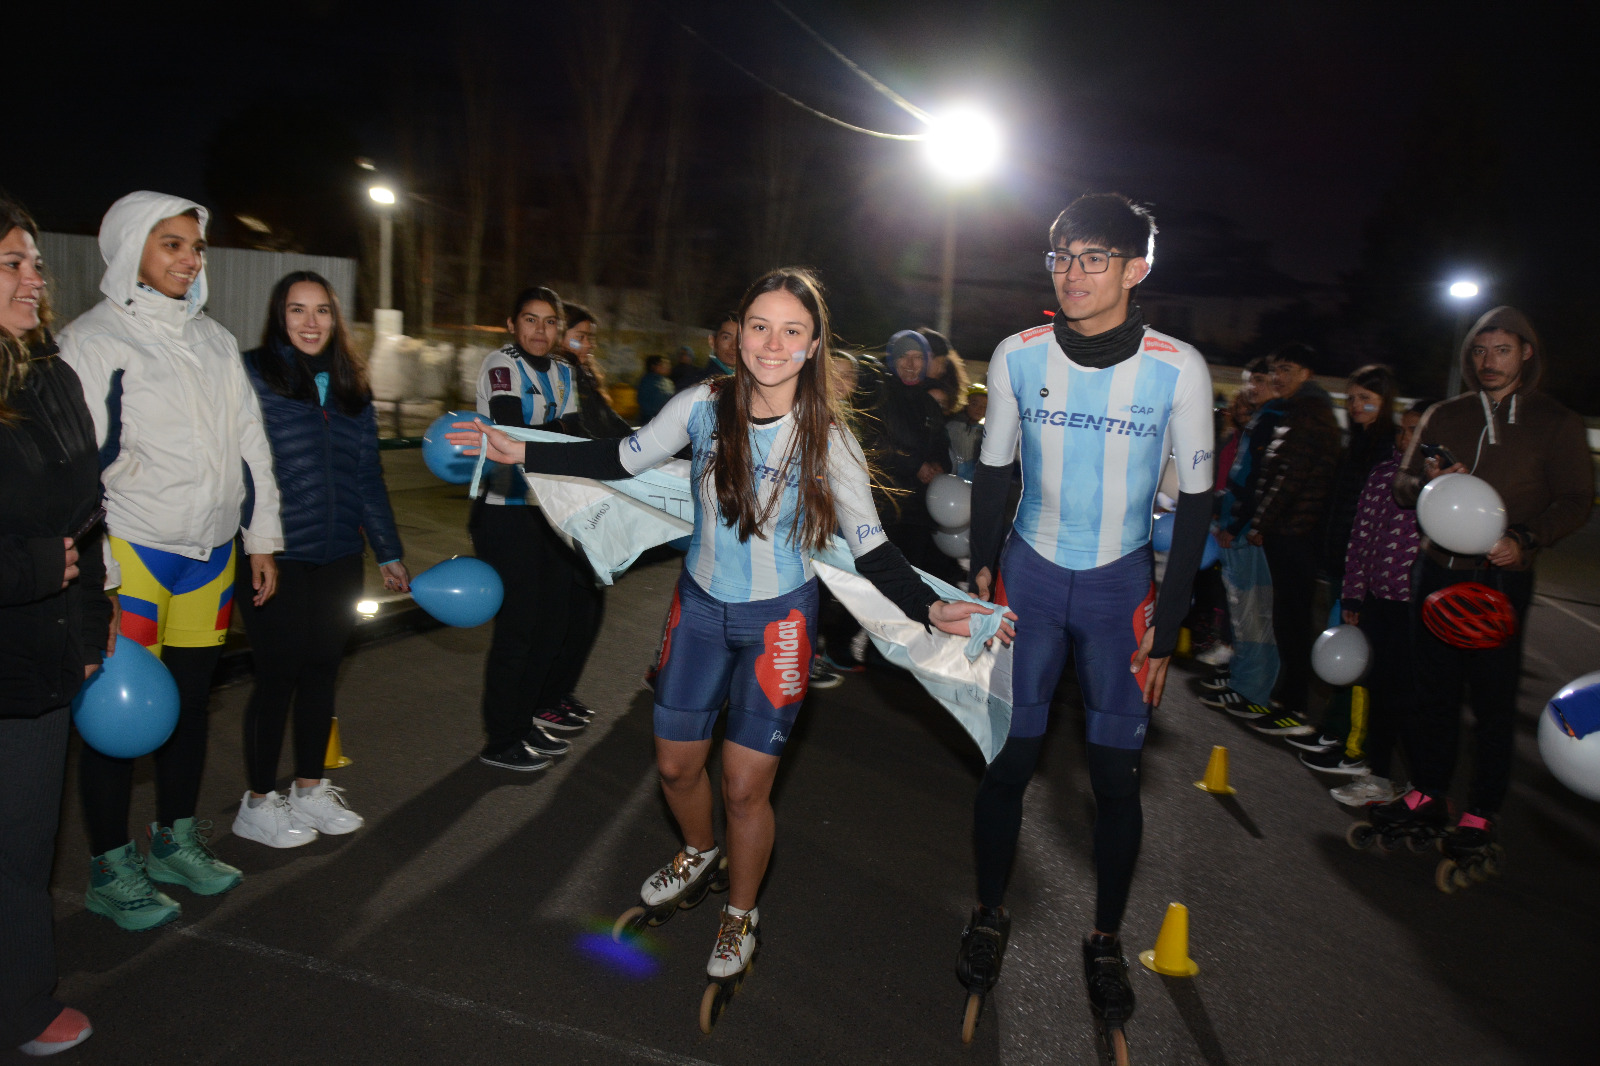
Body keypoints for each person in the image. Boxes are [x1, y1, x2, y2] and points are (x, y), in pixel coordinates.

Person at [450, 267, 1008, 997]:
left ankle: (741, 914)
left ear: (812, 346)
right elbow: (619, 459)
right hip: (700, 611)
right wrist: (523, 450)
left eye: (792, 331)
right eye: (759, 326)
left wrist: (931, 609)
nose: (773, 344)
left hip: (778, 622)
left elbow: (871, 547)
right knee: (678, 768)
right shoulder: (701, 405)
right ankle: (698, 851)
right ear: (739, 334)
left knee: (746, 788)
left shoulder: (828, 437)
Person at [964, 194, 1214, 1038]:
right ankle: (988, 911)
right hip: (1030, 582)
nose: (1072, 272)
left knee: (1114, 782)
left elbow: (1202, 506)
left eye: (1093, 257)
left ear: (1136, 270)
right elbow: (992, 473)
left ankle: (1104, 938)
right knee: (1008, 763)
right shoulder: (1016, 354)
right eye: (1061, 256)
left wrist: (1169, 621)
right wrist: (983, 573)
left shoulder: (1180, 366)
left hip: (1119, 596)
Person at [60, 191, 283, 930]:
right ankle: (109, 869)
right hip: (134, 554)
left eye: (195, 247)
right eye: (171, 245)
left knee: (188, 708)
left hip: (210, 556)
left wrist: (260, 538)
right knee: (119, 720)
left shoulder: (216, 340)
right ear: (131, 250)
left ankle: (174, 842)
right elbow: (78, 469)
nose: (190, 260)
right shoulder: (95, 341)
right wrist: (102, 578)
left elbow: (252, 448)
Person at [1375, 307, 1592, 854]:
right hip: (1435, 572)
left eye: (1501, 350)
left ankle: (1482, 811)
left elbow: (1575, 501)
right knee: (1432, 696)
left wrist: (1525, 538)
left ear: (1526, 353)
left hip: (1499, 581)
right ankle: (1428, 792)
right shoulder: (1446, 413)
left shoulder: (1555, 421)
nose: (1488, 361)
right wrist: (1423, 481)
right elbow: (1401, 486)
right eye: (1478, 350)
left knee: (1492, 704)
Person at [230, 272, 408, 847]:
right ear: (279, 318)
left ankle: (308, 789)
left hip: (337, 556)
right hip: (273, 554)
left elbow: (367, 479)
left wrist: (389, 552)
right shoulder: (253, 373)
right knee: (277, 675)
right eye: (297, 310)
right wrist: (253, 543)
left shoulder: (353, 387)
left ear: (337, 318)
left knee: (321, 674)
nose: (310, 323)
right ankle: (257, 802)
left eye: (322, 311)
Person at [0, 197, 105, 1057]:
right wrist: (29, 569)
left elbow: (83, 510)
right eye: (12, 264)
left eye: (35, 263)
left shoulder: (48, 374)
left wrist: (92, 616)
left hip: (40, 660)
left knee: (26, 843)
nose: (36, 278)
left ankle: (21, 998)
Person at [469, 287, 589, 772]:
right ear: (512, 325)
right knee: (518, 628)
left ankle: (524, 719)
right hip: (505, 508)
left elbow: (578, 433)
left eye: (549, 322)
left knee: (553, 620)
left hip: (550, 509)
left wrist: (562, 438)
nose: (540, 331)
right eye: (530, 320)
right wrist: (560, 436)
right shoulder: (502, 364)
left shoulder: (564, 372)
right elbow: (510, 429)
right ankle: (501, 739)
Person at [1292, 363, 1400, 769]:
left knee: (1357, 659)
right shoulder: (1355, 444)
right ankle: (1335, 730)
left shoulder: (1385, 449)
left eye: (1366, 399)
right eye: (1352, 399)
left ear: (1384, 402)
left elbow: (1373, 521)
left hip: (1365, 574)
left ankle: (1352, 746)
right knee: (1341, 653)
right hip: (1343, 565)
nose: (1356, 406)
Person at [1328, 398, 1435, 806]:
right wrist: (1353, 592)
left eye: (1417, 432)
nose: (1406, 438)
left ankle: (1426, 786)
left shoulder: (1438, 484)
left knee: (1409, 697)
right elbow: (1361, 537)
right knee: (1378, 690)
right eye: (1403, 430)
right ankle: (1379, 775)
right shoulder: (1383, 473)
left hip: (1416, 608)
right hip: (1376, 602)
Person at [1239, 344, 1339, 736]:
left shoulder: (1309, 414)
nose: (1278, 376)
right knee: (1287, 619)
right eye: (1275, 369)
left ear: (1306, 373)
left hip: (1296, 535)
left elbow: (1289, 478)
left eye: (1286, 368)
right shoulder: (1300, 409)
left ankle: (1293, 703)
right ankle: (1286, 696)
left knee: (1294, 622)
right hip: (1290, 532)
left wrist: (1261, 522)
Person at [1202, 357, 1282, 716]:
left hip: (1246, 533)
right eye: (1251, 381)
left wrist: (1234, 525)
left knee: (1253, 618)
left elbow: (1257, 486)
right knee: (1241, 615)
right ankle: (1242, 679)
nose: (1253, 389)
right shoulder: (1260, 423)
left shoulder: (1274, 422)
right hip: (1235, 527)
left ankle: (1253, 690)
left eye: (1261, 381)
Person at [858, 330, 954, 580]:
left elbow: (942, 444)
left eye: (918, 357)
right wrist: (916, 465)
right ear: (893, 360)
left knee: (915, 582)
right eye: (904, 357)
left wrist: (939, 465)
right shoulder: (879, 396)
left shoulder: (929, 403)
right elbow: (875, 444)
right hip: (886, 510)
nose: (911, 365)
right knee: (885, 582)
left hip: (921, 512)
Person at [947, 383, 987, 480]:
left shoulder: (982, 431)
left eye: (985, 406)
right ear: (965, 403)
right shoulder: (953, 427)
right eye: (974, 404)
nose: (980, 409)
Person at [636, 355, 675, 422]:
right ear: (654, 366)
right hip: (651, 420)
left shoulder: (668, 382)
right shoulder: (647, 382)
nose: (667, 367)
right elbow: (644, 402)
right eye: (663, 364)